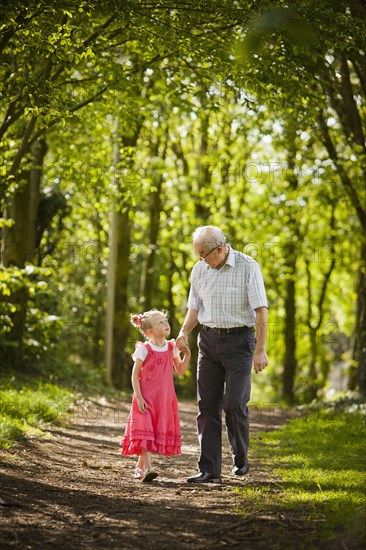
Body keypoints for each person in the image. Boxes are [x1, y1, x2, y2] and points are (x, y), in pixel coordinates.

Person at [176, 225, 268, 483]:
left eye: (203, 255)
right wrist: (184, 333)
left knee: (234, 404)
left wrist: (260, 350)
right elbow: (194, 308)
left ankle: (240, 457)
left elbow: (261, 311)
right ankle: (209, 469)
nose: (200, 261)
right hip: (208, 341)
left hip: (240, 341)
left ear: (219, 249)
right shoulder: (200, 270)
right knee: (206, 406)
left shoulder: (248, 267)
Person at [121, 309, 191, 482]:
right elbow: (134, 375)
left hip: (164, 400)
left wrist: (187, 354)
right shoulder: (144, 349)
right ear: (150, 332)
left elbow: (180, 370)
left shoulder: (171, 347)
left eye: (165, 320)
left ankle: (140, 467)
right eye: (160, 322)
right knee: (144, 429)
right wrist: (139, 397)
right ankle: (148, 468)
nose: (166, 323)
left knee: (150, 432)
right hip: (145, 398)